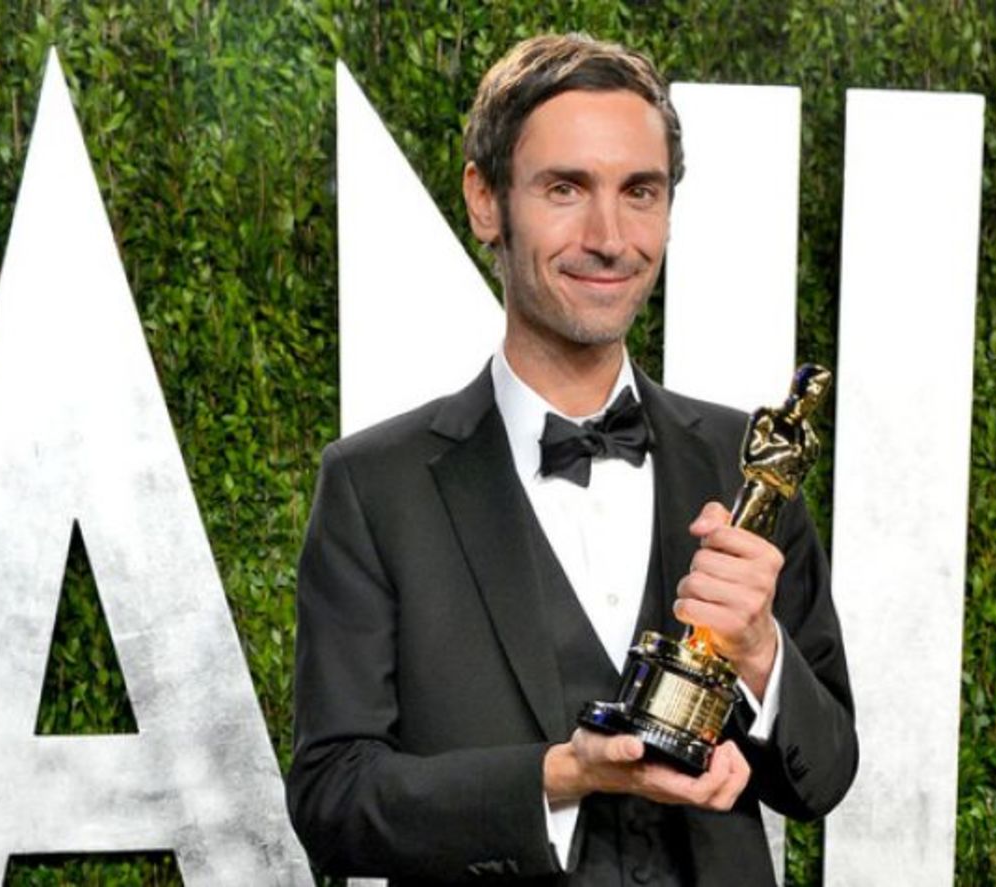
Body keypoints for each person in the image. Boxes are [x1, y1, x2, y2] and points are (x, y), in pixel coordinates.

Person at [287, 33, 857, 886]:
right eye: (566, 189)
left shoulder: (746, 467)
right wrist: (561, 775)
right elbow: (333, 800)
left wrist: (761, 652)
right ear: (486, 201)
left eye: (640, 192)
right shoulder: (375, 487)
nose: (609, 237)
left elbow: (827, 771)